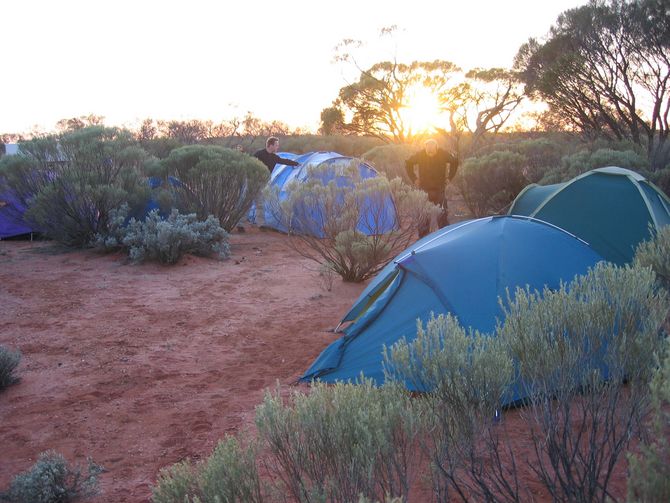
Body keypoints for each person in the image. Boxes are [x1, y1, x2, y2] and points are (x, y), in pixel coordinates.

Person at [405, 139, 458, 238]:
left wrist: (450, 177)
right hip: (424, 190)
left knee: (442, 215)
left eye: (432, 151)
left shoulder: (443, 153)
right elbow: (408, 163)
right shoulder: (420, 154)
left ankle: (445, 238)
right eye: (427, 151)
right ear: (425, 148)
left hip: (439, 189)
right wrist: (414, 179)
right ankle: (423, 240)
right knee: (423, 216)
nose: (430, 153)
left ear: (436, 148)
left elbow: (455, 161)